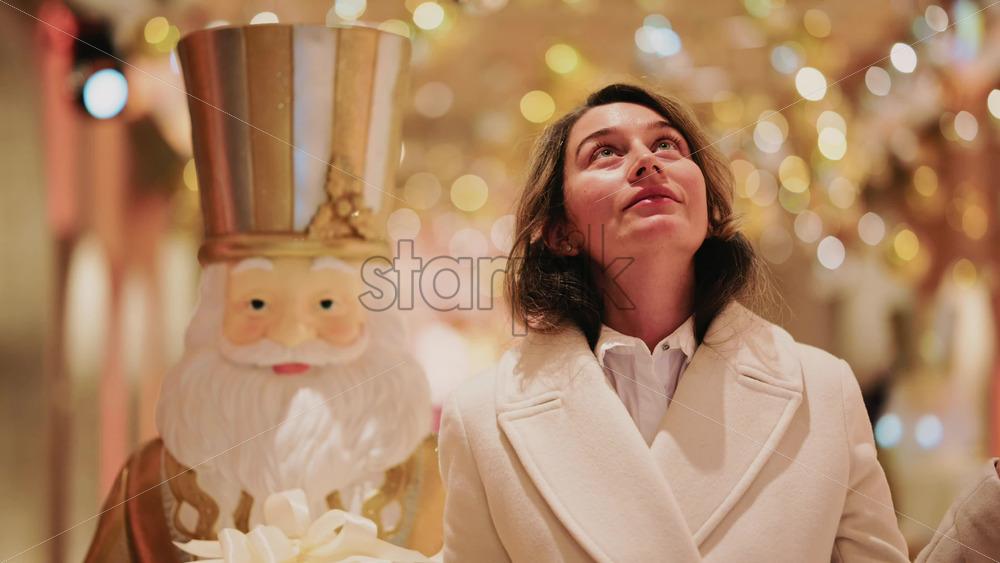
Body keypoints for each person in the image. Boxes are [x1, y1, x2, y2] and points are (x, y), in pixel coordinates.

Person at [437, 83, 1000, 562]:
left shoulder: (822, 390)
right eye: (604, 153)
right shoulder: (480, 419)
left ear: (709, 213)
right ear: (560, 232)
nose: (646, 160)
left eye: (667, 144)